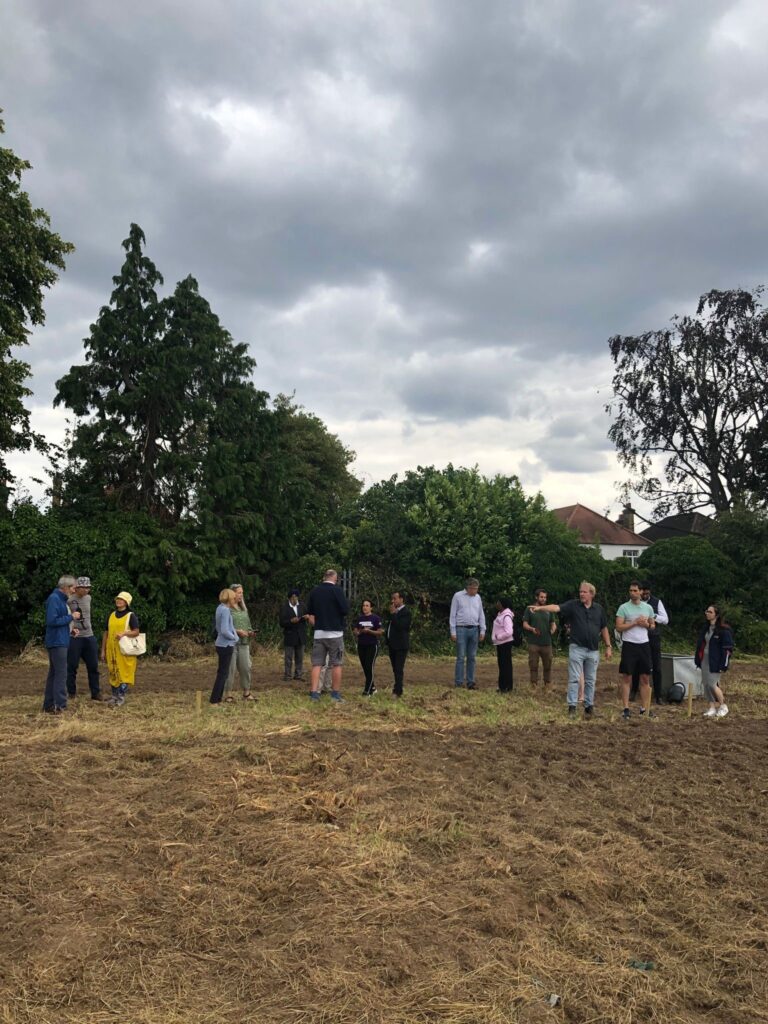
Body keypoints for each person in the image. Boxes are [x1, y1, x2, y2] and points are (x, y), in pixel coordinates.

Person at [533, 582, 612, 717]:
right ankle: (572, 707)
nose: (581, 594)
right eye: (580, 591)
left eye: (584, 592)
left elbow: (604, 628)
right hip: (577, 648)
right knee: (574, 678)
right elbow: (556, 608)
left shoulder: (599, 609)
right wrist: (540, 608)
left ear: (591, 594)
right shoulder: (573, 605)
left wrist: (608, 646)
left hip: (593, 650)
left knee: (590, 679)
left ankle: (589, 707)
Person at [307, 569, 350, 702]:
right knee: (336, 664)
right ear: (334, 578)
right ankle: (335, 694)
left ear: (324, 577)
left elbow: (310, 614)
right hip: (335, 634)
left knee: (317, 664)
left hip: (319, 634)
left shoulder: (315, 591)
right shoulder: (337, 591)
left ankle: (314, 694)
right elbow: (345, 610)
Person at [615, 581, 656, 720]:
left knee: (645, 678)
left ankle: (645, 708)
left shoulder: (648, 608)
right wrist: (634, 623)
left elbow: (652, 625)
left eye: (635, 590)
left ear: (640, 592)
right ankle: (626, 708)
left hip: (643, 645)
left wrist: (646, 624)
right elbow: (619, 627)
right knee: (627, 677)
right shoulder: (623, 608)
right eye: (630, 590)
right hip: (629, 645)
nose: (632, 592)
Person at [43, 575, 79, 714]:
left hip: (60, 639)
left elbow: (58, 622)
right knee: (61, 674)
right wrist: (71, 617)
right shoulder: (55, 599)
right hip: (57, 642)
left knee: (54, 674)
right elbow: (52, 621)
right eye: (73, 587)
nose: (74, 590)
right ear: (65, 587)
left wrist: (70, 630)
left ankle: (49, 705)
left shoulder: (60, 599)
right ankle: (60, 706)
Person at [630, 581, 669, 704]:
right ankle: (634, 691)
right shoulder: (634, 603)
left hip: (653, 637)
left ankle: (658, 696)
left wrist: (653, 616)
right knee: (636, 665)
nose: (646, 595)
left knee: (656, 666)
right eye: (643, 592)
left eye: (648, 593)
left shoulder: (657, 602)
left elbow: (666, 619)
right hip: (638, 637)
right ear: (640, 592)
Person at [101, 591, 141, 707]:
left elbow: (136, 631)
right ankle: (114, 696)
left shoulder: (131, 615)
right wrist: (103, 650)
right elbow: (106, 633)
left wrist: (124, 633)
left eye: (122, 599)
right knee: (113, 672)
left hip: (124, 651)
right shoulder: (111, 615)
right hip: (111, 649)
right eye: (118, 598)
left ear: (126, 602)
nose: (118, 601)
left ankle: (121, 697)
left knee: (124, 673)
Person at [66, 576, 103, 701]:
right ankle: (71, 693)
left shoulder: (88, 598)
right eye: (84, 588)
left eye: (88, 588)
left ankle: (96, 693)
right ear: (77, 588)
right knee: (72, 666)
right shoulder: (69, 599)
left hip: (89, 635)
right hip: (75, 637)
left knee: (93, 666)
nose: (87, 590)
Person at [695, 605, 734, 718]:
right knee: (706, 684)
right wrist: (698, 659)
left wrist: (724, 664)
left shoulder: (724, 630)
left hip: (716, 661)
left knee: (712, 684)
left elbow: (727, 649)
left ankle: (723, 706)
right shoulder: (706, 628)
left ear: (716, 615)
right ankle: (712, 707)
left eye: (710, 611)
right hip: (704, 660)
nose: (707, 613)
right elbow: (701, 645)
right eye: (706, 611)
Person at [449, 577, 486, 689]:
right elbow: (453, 614)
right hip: (461, 629)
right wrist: (453, 631)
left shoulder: (478, 598)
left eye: (476, 589)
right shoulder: (458, 596)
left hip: (474, 629)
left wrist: (482, 629)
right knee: (460, 656)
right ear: (468, 588)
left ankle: (471, 682)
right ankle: (459, 682)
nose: (475, 591)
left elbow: (481, 614)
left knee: (472, 657)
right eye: (474, 589)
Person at [224, 583, 256, 702]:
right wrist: (237, 631)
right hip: (231, 643)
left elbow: (248, 625)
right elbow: (225, 627)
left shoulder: (243, 609)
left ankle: (246, 693)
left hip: (244, 643)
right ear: (232, 594)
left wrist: (251, 632)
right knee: (230, 669)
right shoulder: (227, 609)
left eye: (242, 592)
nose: (241, 595)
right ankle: (228, 694)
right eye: (239, 592)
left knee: (246, 668)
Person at [209, 588, 239, 706]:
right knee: (223, 673)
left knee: (222, 673)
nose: (235, 599)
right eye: (233, 597)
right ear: (230, 598)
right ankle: (215, 700)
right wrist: (235, 638)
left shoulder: (219, 608)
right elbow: (225, 630)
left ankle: (217, 699)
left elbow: (220, 628)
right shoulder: (225, 610)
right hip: (226, 645)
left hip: (220, 644)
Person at [522, 588, 557, 686]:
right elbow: (525, 624)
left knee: (548, 665)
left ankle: (547, 684)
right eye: (541, 597)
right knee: (533, 665)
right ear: (536, 597)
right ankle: (534, 685)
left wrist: (553, 629)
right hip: (533, 642)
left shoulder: (548, 610)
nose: (543, 599)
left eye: (545, 597)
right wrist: (532, 629)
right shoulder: (529, 609)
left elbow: (553, 623)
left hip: (547, 642)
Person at [353, 599, 383, 696]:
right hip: (361, 645)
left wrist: (370, 632)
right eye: (363, 605)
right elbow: (355, 631)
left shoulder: (376, 618)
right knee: (365, 667)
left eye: (367, 605)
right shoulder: (360, 618)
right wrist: (359, 632)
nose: (365, 607)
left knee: (369, 666)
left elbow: (380, 632)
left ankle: (367, 691)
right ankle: (373, 688)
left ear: (371, 608)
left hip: (372, 645)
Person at [386, 591, 412, 698]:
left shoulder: (406, 612)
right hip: (392, 645)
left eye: (395, 598)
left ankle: (398, 691)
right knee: (394, 668)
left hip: (401, 645)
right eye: (392, 599)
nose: (392, 601)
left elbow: (401, 626)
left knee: (398, 668)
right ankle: (397, 688)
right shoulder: (394, 612)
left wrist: (393, 614)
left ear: (401, 599)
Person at [279, 589, 308, 680]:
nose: (295, 599)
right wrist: (291, 621)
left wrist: (306, 617)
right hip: (290, 635)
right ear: (289, 598)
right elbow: (281, 623)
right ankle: (287, 675)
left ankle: (298, 674)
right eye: (293, 598)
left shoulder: (302, 606)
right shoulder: (284, 608)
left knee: (300, 657)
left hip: (300, 635)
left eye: (296, 597)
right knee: (288, 657)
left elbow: (306, 615)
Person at [491, 598, 515, 693]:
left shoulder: (506, 616)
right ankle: (503, 686)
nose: (497, 604)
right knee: (502, 665)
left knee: (505, 666)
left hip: (505, 643)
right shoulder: (501, 614)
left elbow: (509, 631)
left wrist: (499, 636)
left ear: (503, 604)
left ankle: (506, 687)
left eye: (498, 602)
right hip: (501, 643)